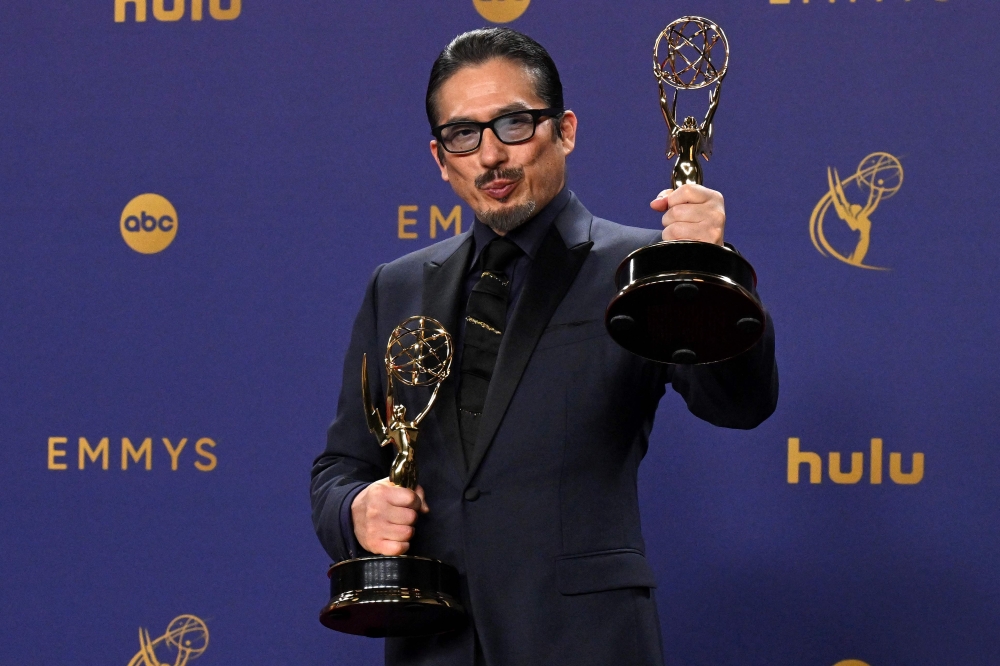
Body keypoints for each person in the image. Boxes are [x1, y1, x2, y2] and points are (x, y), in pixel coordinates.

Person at [311, 27, 778, 666]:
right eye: (463, 134)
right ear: (440, 157)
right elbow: (341, 467)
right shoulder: (395, 287)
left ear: (565, 131)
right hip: (434, 645)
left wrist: (707, 267)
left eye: (514, 124)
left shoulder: (641, 265)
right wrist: (358, 511)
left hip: (583, 643)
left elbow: (739, 403)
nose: (491, 156)